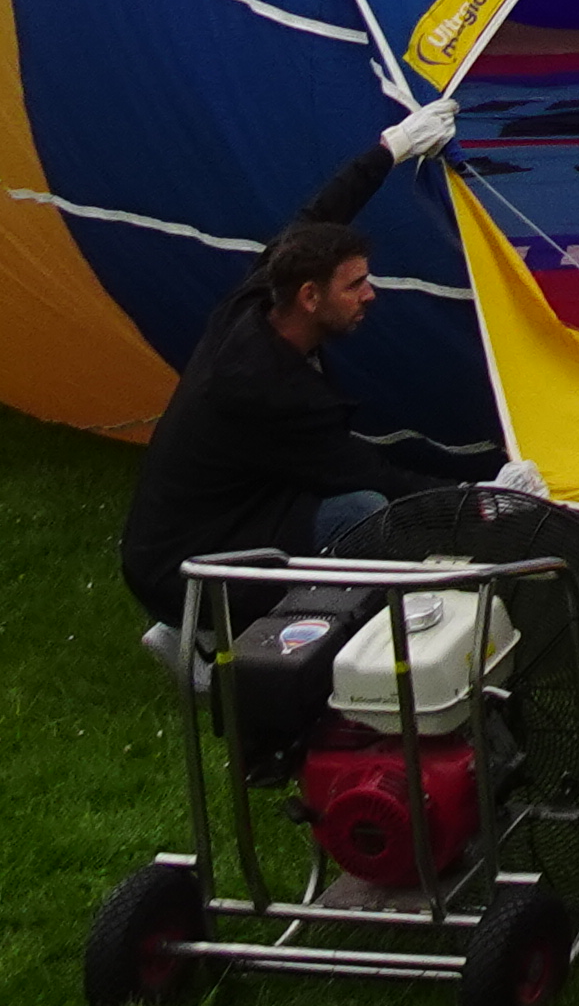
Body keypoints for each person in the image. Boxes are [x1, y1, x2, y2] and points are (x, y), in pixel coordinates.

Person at [119, 96, 460, 638]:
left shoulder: (258, 300)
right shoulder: (272, 391)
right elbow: (375, 476)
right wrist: (482, 501)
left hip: (188, 530)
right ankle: (249, 641)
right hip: (183, 572)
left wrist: (390, 150)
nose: (370, 294)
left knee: (335, 501)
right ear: (309, 296)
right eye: (355, 285)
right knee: (361, 511)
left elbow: (316, 217)